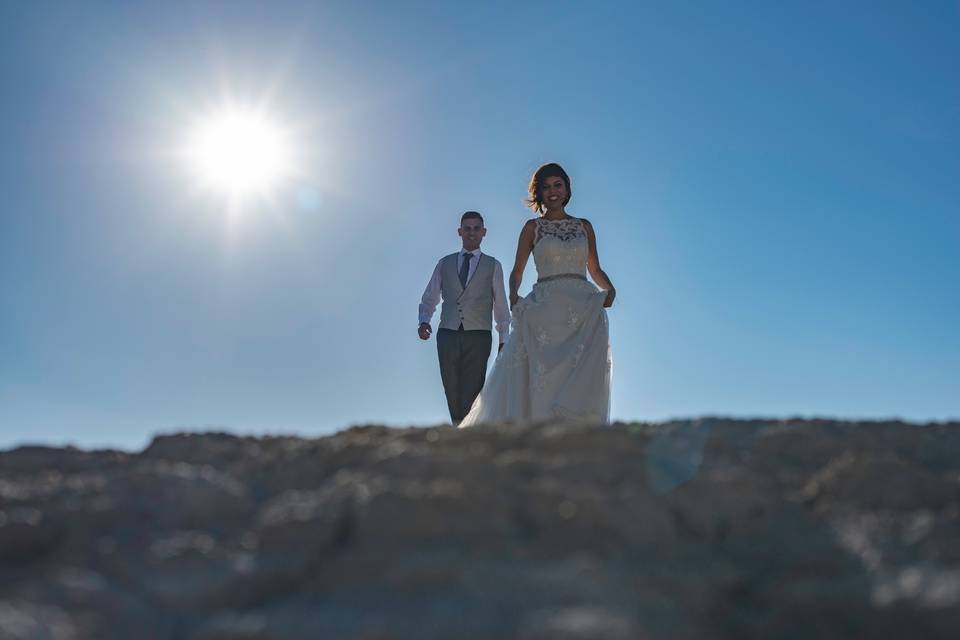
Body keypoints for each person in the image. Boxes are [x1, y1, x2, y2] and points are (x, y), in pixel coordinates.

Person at [458, 163, 615, 427]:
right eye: (545, 187)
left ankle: (578, 432)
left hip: (581, 308)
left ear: (567, 189)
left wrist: (610, 289)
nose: (552, 192)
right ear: (539, 193)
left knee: (581, 370)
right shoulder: (533, 228)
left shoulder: (584, 226)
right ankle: (536, 430)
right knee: (539, 380)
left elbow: (594, 268)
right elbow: (517, 271)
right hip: (544, 309)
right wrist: (514, 298)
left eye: (557, 185)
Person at [418, 211, 510, 425]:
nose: (471, 233)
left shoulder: (493, 265)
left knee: (473, 387)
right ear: (460, 232)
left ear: (483, 232)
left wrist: (504, 338)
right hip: (447, 333)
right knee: (451, 386)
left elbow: (501, 305)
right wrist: (424, 320)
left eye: (476, 228)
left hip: (479, 334)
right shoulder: (445, 263)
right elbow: (430, 296)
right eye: (467, 228)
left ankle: (468, 432)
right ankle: (458, 428)